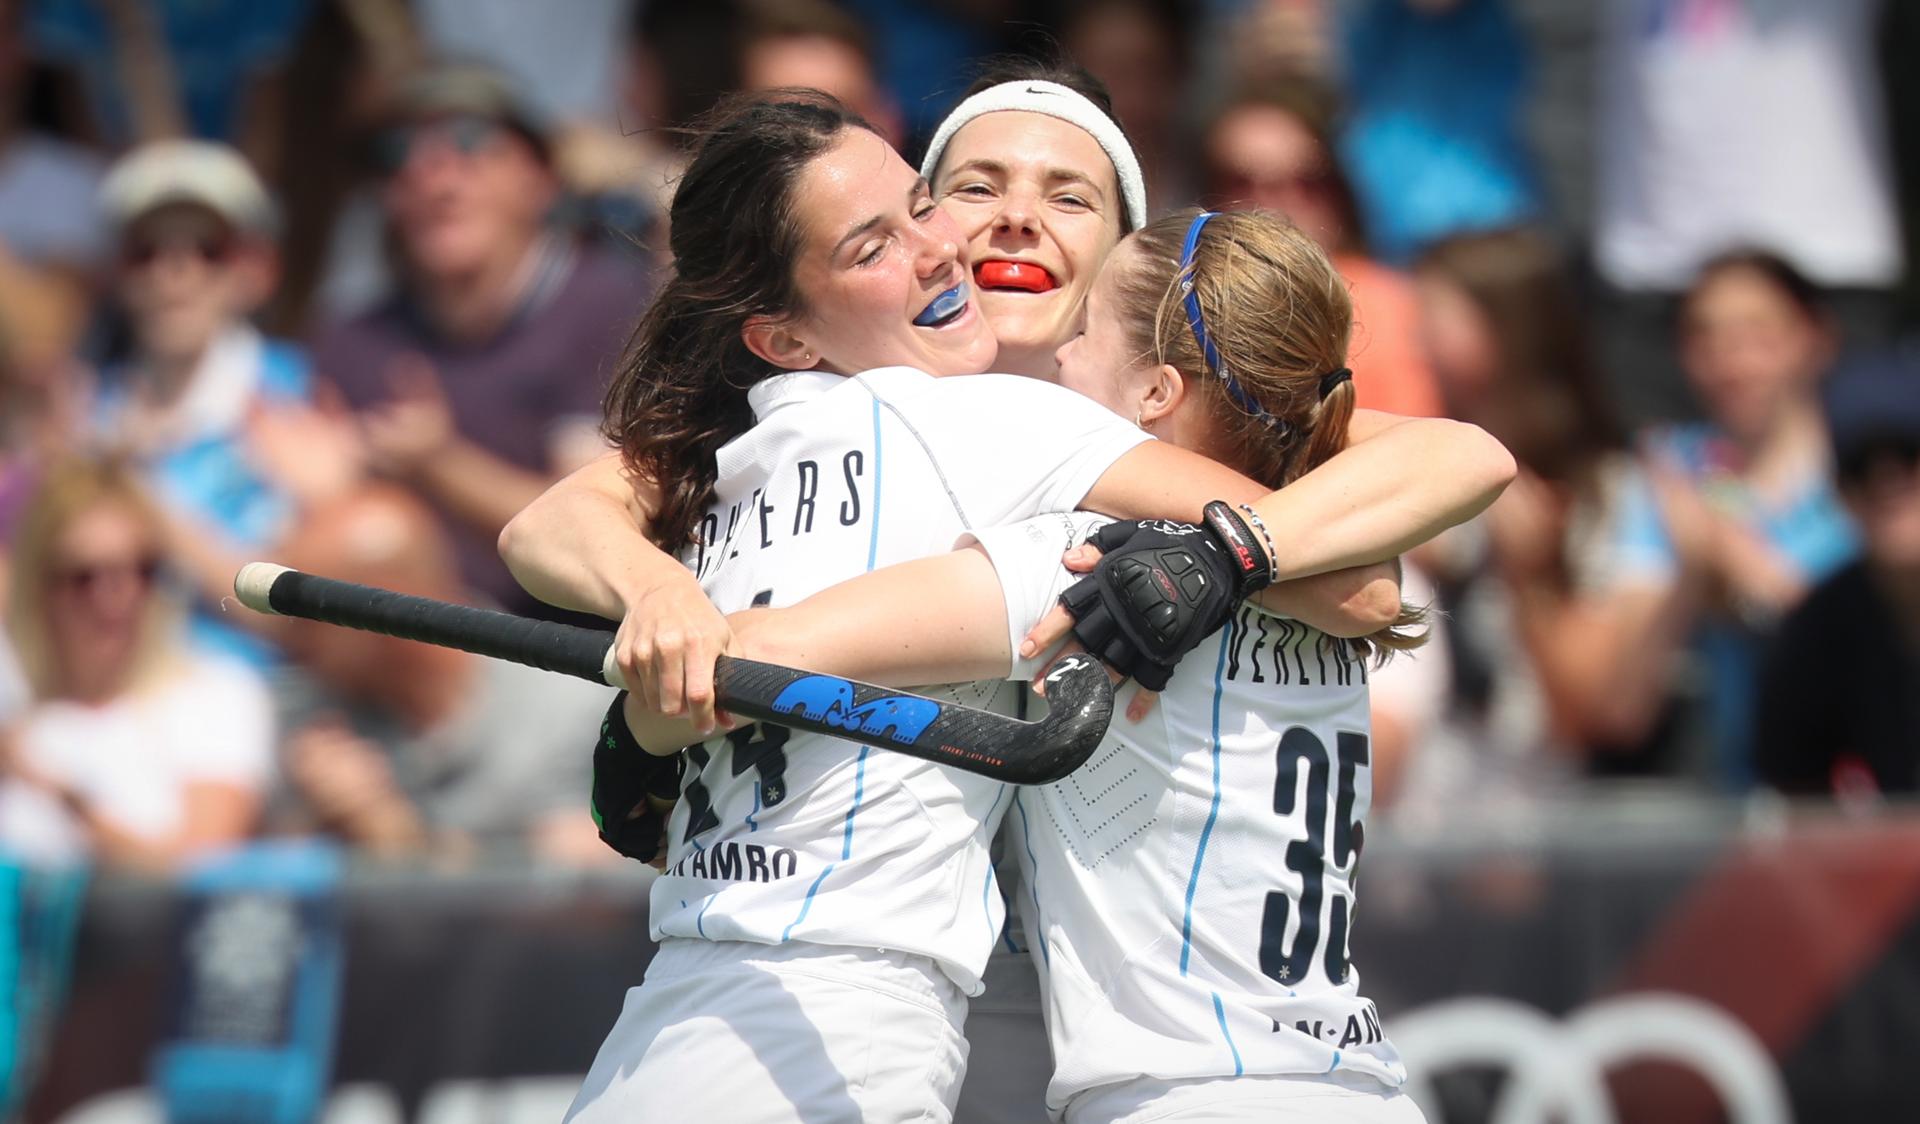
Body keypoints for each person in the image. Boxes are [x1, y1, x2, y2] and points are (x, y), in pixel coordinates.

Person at [500, 90, 1510, 1122]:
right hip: (941, 1037)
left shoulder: (1071, 484)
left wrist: (1225, 549)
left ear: (1131, 275)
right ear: (790, 332)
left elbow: (1389, 552)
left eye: (1068, 195)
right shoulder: (806, 431)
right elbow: (556, 527)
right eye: (971, 187)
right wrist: (662, 602)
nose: (1011, 217)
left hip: (1033, 1055)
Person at [311, 61, 650, 621]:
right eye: (398, 154)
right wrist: (324, 491)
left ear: (539, 179)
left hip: (568, 654)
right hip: (401, 657)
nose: (434, 176)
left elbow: (597, 534)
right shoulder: (351, 340)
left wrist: (437, 464)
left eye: (470, 141)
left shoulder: (609, 307)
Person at [1408, 227, 1688, 792]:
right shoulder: (1422, 461)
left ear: (1504, 324)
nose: (1418, 341)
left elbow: (1591, 712)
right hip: (1442, 795)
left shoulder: (1610, 490)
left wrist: (1531, 577)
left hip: (1556, 806)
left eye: (1436, 316)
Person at [268, 486, 609, 864]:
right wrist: (317, 824)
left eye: (308, 618)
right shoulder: (312, 713)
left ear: (390, 610)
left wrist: (393, 834)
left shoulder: (570, 705)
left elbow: (586, 895)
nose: (288, 637)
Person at [88, 139, 313, 665]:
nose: (174, 272)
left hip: (263, 713)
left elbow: (294, 622)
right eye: (145, 251)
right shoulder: (83, 413)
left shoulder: (300, 399)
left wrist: (133, 497)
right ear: (117, 273)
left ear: (257, 268)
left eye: (208, 248)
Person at [1639, 250, 1860, 786]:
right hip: (1711, 801)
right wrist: (1694, 580)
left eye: (1758, 334)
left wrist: (1725, 554)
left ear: (1817, 338)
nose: (1732, 363)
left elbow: (1864, 649)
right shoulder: (1660, 467)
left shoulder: (1877, 472)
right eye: (1706, 339)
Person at [0, 458, 272, 870]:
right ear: (40, 585)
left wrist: (57, 792)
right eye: (86, 576)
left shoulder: (215, 694)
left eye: (141, 571)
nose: (118, 598)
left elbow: (197, 873)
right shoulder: (18, 710)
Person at [1202, 77, 1444, 419]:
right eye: (1241, 181)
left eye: (1304, 179)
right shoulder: (1173, 311)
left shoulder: (1390, 304)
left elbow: (1413, 437)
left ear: (1337, 187)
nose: (1273, 203)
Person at [1755, 347, 1920, 798]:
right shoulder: (1815, 631)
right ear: (1837, 491)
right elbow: (1795, 806)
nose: (1888, 482)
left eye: (1909, 454)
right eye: (1860, 465)